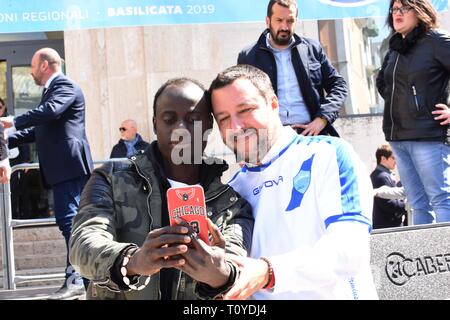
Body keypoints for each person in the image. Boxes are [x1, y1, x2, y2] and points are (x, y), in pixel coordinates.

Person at [69, 78, 254, 300]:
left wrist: (220, 274)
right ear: (156, 124)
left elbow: (234, 262)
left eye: (193, 120)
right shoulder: (110, 178)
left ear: (208, 126)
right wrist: (134, 260)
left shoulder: (232, 204)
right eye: (169, 119)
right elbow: (83, 242)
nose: (181, 129)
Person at [208, 64, 377, 299]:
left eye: (245, 109)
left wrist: (269, 272)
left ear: (274, 104)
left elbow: (349, 251)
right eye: (224, 118)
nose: (235, 127)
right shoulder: (233, 190)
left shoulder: (327, 154)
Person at [0, 48, 93, 299]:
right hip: (63, 166)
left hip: (69, 164)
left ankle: (79, 278)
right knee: (69, 222)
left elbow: (49, 112)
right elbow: (40, 130)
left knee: (71, 222)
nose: (30, 72)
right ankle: (80, 277)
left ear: (43, 65)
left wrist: (13, 121)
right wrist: (9, 141)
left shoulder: (64, 85)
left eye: (32, 66)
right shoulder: (51, 92)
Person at [376, 0, 450, 224]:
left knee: (440, 199)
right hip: (398, 137)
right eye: (394, 9)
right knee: (417, 203)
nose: (396, 14)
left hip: (428, 135)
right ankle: (425, 259)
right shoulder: (396, 47)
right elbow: (384, 85)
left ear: (419, 11)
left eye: (403, 9)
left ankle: (446, 257)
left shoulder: (436, 41)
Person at [237, 0, 347, 136]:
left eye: (290, 21)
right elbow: (240, 101)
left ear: (296, 21)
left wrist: (322, 118)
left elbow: (339, 85)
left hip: (311, 135)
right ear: (268, 21)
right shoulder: (248, 57)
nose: (284, 26)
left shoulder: (312, 49)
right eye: (279, 20)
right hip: (269, 138)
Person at [370, 145, 407, 229]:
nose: (396, 161)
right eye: (393, 158)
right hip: (386, 226)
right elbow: (388, 203)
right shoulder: (381, 176)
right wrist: (406, 205)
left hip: (388, 225)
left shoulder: (383, 175)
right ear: (383, 159)